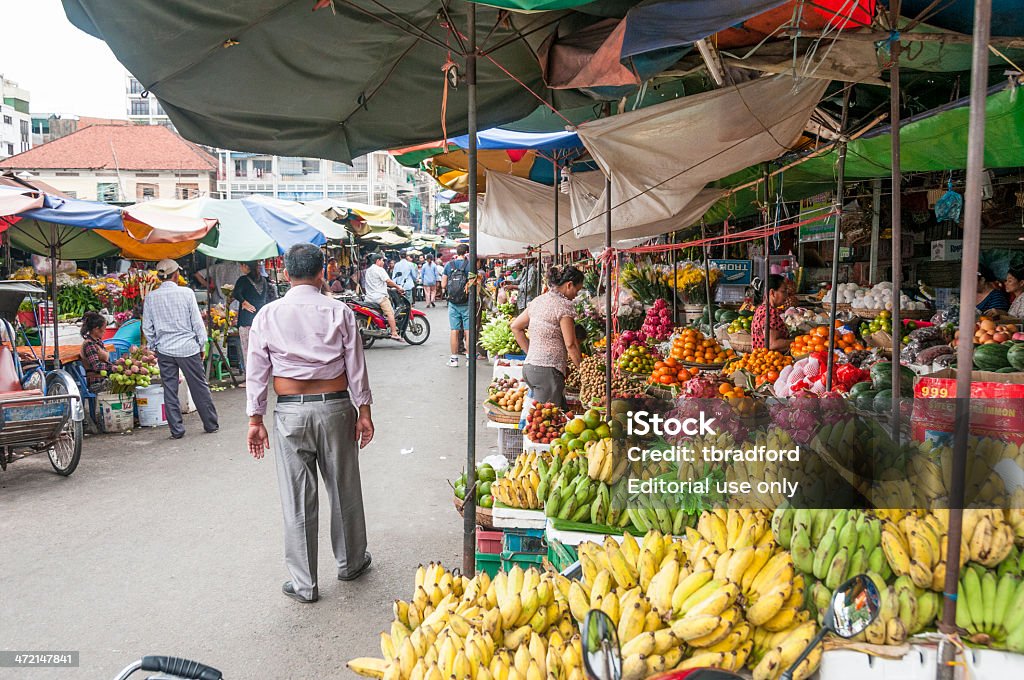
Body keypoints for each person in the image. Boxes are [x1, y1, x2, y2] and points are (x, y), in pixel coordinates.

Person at [246, 243, 374, 604]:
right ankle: (350, 563)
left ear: (286, 274)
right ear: (322, 273)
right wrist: (364, 411)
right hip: (336, 408)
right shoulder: (340, 311)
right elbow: (356, 367)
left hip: (290, 412)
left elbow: (257, 373)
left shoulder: (267, 315)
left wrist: (255, 419)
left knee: (297, 498)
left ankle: (304, 584)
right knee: (343, 488)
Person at [142, 259, 219, 439]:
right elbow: (197, 323)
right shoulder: (187, 293)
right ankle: (210, 423)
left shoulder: (151, 297)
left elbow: (147, 327)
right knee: (198, 386)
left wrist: (155, 345)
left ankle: (176, 430)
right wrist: (202, 344)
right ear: (176, 275)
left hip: (165, 349)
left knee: (169, 389)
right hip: (188, 348)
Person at [510, 266, 585, 408]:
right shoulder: (563, 306)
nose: (576, 295)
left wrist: (532, 353)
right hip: (547, 372)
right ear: (569, 285)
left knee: (556, 417)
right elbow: (571, 344)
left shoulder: (538, 300)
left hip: (530, 368)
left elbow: (516, 327)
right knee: (545, 424)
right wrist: (583, 370)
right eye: (577, 290)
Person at [232, 261, 274, 367]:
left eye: (241, 265)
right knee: (260, 351)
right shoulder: (264, 280)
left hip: (247, 320)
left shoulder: (243, 280)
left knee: (248, 351)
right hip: (261, 320)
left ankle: (249, 379)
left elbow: (236, 293)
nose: (241, 268)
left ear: (246, 266)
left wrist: (244, 302)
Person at [363, 253, 405, 341]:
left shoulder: (368, 270)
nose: (383, 262)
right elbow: (388, 281)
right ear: (378, 261)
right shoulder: (379, 269)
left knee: (382, 314)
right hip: (379, 298)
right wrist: (398, 287)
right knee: (390, 313)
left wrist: (389, 288)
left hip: (369, 297)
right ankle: (394, 333)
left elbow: (376, 284)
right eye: (382, 260)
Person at [442, 244, 472, 367]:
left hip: (453, 302)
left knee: (454, 330)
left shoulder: (449, 265)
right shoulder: (470, 264)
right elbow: (473, 282)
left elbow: (443, 285)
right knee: (468, 330)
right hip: (466, 302)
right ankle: (469, 359)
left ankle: (454, 360)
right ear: (466, 252)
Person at [751, 274, 791, 352]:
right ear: (772, 293)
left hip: (760, 359)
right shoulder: (770, 312)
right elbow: (772, 344)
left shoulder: (761, 309)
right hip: (769, 360)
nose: (786, 295)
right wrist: (798, 340)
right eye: (783, 291)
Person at [79, 311, 112, 389]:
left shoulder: (98, 342)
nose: (105, 331)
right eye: (104, 328)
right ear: (96, 329)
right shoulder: (89, 344)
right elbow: (96, 366)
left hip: (104, 378)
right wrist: (112, 367)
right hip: (96, 382)